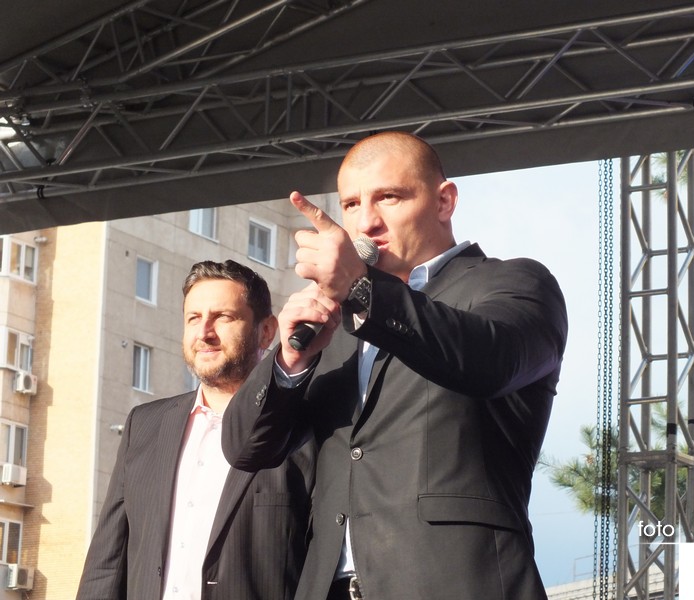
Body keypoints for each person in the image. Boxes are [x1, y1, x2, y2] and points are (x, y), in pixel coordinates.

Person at [223, 131, 568, 600]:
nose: (366, 221)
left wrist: (362, 290)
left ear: (444, 201)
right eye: (350, 204)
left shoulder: (513, 283)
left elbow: (491, 361)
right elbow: (245, 448)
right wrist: (289, 361)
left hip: (455, 584)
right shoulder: (335, 324)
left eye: (388, 197)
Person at [76, 260, 315, 600]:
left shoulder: (303, 428)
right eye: (193, 318)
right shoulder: (144, 425)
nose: (204, 332)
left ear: (266, 331)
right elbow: (106, 564)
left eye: (223, 317)